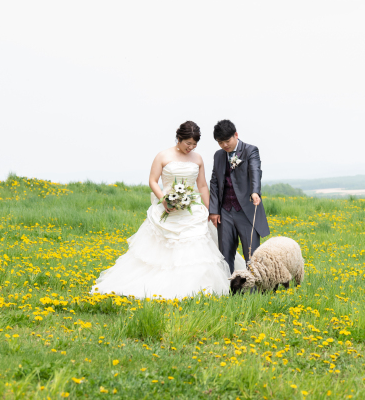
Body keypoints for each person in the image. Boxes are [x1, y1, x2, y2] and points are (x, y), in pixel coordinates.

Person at [91, 121, 243, 299]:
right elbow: (153, 181)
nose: (191, 147)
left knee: (197, 248)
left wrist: (212, 210)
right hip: (168, 209)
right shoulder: (163, 156)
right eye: (188, 143)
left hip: (192, 211)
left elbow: (201, 186)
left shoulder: (198, 158)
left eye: (194, 144)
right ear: (179, 139)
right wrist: (164, 199)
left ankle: (198, 286)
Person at [209, 119, 270, 274]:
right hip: (225, 211)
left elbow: (255, 171)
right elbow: (214, 183)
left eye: (227, 141)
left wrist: (255, 192)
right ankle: (228, 289)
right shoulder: (218, 156)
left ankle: (254, 289)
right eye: (220, 142)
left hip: (246, 210)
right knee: (225, 252)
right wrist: (214, 211)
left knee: (252, 253)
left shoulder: (250, 150)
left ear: (236, 135)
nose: (224, 145)